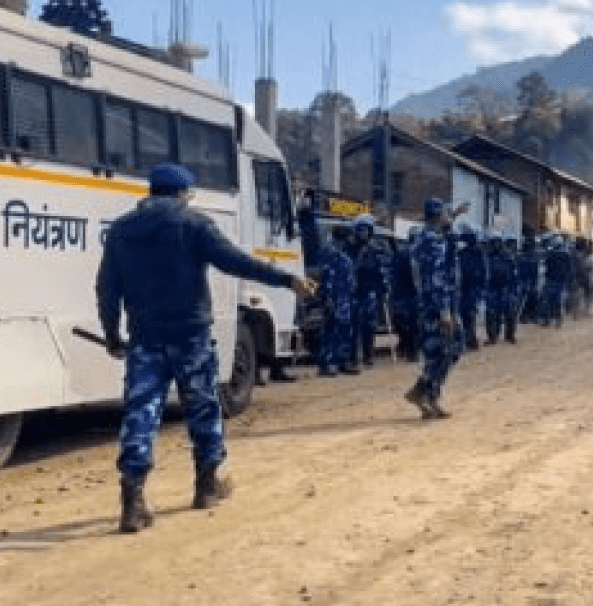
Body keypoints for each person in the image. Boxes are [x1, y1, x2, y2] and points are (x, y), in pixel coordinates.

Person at [96, 163, 315, 533]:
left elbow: (107, 289)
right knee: (202, 408)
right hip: (190, 335)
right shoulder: (194, 224)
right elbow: (236, 262)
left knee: (141, 414)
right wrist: (285, 279)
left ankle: (132, 501)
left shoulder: (121, 231)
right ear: (185, 193)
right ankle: (207, 486)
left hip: (145, 337)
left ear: (152, 191)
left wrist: (113, 335)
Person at [404, 199, 469, 419]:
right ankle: (426, 395)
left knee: (452, 348)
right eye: (445, 212)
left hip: (444, 302)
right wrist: (444, 311)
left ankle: (427, 392)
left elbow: (450, 241)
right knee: (440, 350)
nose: (448, 215)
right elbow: (436, 277)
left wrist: (455, 216)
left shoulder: (435, 236)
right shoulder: (430, 240)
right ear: (437, 214)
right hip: (434, 305)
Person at [316, 225, 360, 377]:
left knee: (344, 331)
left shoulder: (344, 253)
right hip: (334, 297)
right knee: (331, 330)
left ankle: (342, 361)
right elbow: (327, 277)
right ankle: (326, 364)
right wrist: (327, 298)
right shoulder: (330, 253)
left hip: (345, 297)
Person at [348, 214, 390, 366]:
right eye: (360, 230)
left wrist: (383, 288)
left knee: (369, 326)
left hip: (369, 293)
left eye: (366, 230)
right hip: (354, 292)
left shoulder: (374, 249)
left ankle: (368, 356)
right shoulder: (350, 249)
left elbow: (381, 270)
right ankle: (354, 357)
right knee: (354, 326)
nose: (363, 233)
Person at [389, 230, 421, 362]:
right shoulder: (413, 253)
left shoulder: (403, 252)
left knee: (406, 323)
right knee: (413, 324)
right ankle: (411, 351)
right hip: (409, 293)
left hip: (404, 293)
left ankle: (408, 349)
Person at [456, 224, 488, 350]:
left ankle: (470, 340)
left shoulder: (478, 253)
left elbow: (484, 272)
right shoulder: (461, 253)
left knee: (469, 314)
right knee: (463, 315)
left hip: (472, 288)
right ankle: (468, 340)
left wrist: (481, 288)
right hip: (462, 287)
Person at [485, 232, 519, 344]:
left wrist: (515, 288)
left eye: (497, 241)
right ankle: (492, 336)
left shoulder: (508, 255)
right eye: (493, 241)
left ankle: (509, 336)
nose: (495, 244)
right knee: (492, 313)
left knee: (510, 313)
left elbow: (514, 272)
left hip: (507, 287)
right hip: (492, 288)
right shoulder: (487, 255)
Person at [541, 236, 574, 328]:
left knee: (548, 302)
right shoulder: (566, 255)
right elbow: (569, 269)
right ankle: (558, 321)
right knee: (558, 302)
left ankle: (548, 321)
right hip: (560, 282)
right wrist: (569, 281)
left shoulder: (550, 255)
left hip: (551, 281)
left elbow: (546, 267)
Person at [517, 236, 542, 323]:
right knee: (526, 299)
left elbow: (535, 271)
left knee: (531, 298)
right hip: (525, 281)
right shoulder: (523, 257)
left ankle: (529, 316)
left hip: (529, 281)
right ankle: (525, 316)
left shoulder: (531, 256)